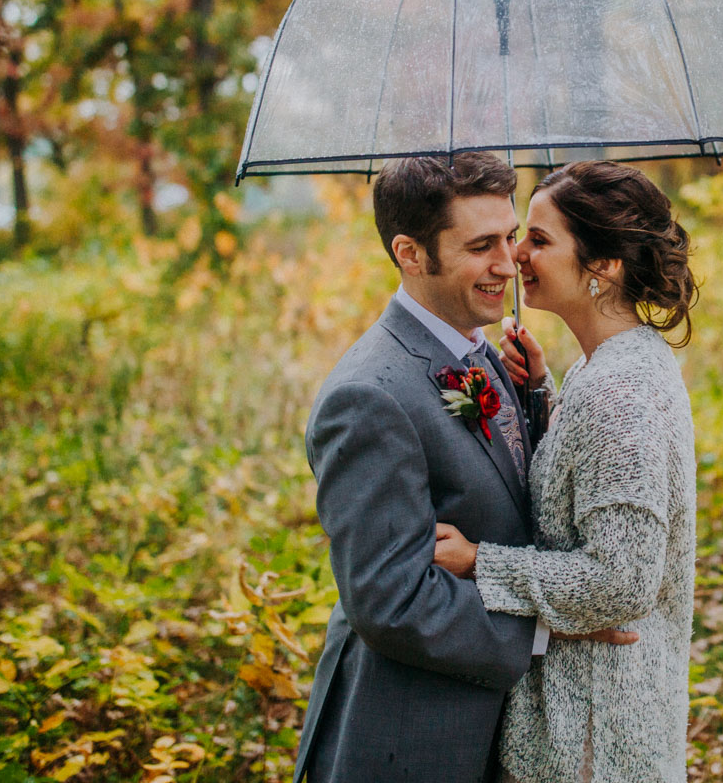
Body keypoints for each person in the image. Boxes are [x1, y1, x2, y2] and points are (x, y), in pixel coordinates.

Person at [293, 153, 631, 783]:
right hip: (409, 739)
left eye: (510, 236)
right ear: (411, 254)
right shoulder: (368, 396)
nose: (509, 263)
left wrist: (533, 398)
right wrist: (550, 629)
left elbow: (497, 482)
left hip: (492, 731)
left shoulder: (476, 346)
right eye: (481, 246)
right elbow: (391, 601)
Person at [433, 160, 698, 783]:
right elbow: (592, 477)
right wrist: (545, 393)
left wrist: (480, 562)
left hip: (593, 734)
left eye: (540, 240)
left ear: (603, 266)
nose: (516, 254)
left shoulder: (618, 392)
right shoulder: (606, 368)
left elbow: (622, 580)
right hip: (592, 711)